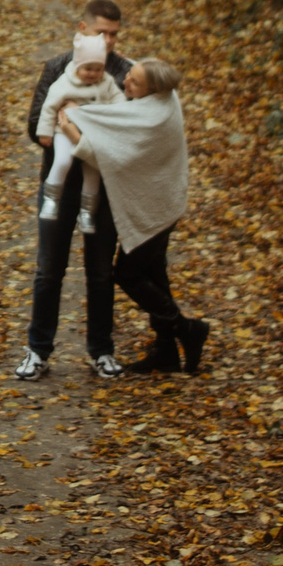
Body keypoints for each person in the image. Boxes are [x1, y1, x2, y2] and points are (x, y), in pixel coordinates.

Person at [62, 58, 211, 376]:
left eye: (134, 81)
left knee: (128, 274)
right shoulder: (159, 100)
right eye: (129, 74)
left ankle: (187, 329)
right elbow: (118, 121)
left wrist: (73, 129)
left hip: (156, 206)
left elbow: (115, 157)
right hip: (160, 201)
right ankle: (167, 351)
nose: (125, 81)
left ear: (152, 90)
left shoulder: (154, 116)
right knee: (155, 275)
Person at [16, 0, 132, 381]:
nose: (109, 40)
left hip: (106, 185)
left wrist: (76, 128)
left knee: (100, 271)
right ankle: (38, 350)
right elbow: (36, 124)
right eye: (102, 32)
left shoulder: (127, 74)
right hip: (61, 181)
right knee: (49, 269)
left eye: (115, 33)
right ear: (82, 28)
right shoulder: (57, 68)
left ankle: (101, 350)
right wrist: (64, 128)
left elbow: (129, 133)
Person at [35, 33, 124, 232]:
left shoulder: (107, 83)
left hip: (93, 136)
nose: (93, 73)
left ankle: (87, 212)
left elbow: (119, 102)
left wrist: (118, 111)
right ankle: (51, 199)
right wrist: (45, 132)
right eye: (88, 68)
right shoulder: (64, 84)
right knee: (63, 161)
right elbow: (49, 107)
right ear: (77, 66)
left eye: (98, 69)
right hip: (64, 131)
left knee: (93, 172)